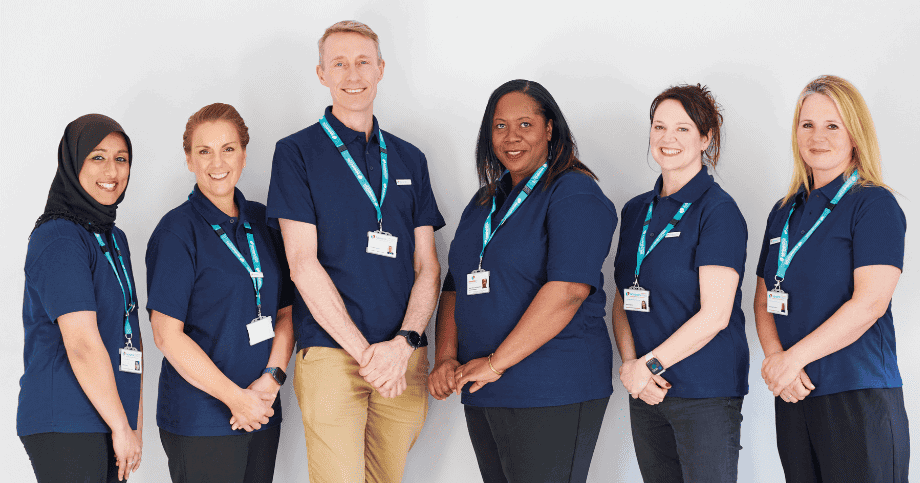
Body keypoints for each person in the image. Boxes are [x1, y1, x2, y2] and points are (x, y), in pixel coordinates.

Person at [266, 20, 444, 482]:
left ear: (381, 69)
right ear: (321, 74)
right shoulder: (296, 153)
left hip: (403, 356)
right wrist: (368, 353)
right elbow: (302, 265)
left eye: (363, 61)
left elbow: (428, 267)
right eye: (339, 63)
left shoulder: (409, 158)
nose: (352, 74)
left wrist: (402, 344)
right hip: (332, 352)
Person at [428, 79, 617, 483]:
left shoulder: (574, 193)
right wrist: (446, 356)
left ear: (550, 129)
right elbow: (455, 284)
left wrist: (496, 364)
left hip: (550, 386)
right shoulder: (484, 201)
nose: (511, 137)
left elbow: (568, 292)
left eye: (525, 124)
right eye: (500, 126)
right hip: (482, 385)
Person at [755, 75, 909, 482]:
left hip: (856, 395)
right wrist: (776, 361)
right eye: (807, 125)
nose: (817, 136)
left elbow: (870, 304)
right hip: (795, 393)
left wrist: (792, 359)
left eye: (832, 125)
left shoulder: (874, 204)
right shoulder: (784, 211)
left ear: (855, 135)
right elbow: (763, 296)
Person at [146, 103, 295, 483]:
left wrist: (272, 379)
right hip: (202, 420)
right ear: (189, 160)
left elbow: (286, 313)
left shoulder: (264, 222)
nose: (217, 162)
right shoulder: (177, 231)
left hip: (262, 410)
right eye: (204, 151)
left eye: (228, 148)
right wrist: (235, 398)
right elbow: (166, 335)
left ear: (244, 154)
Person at [612, 84, 748, 482]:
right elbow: (623, 300)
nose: (667, 139)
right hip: (647, 390)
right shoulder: (636, 210)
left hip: (704, 391)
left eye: (683, 129)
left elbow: (716, 315)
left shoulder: (718, 211)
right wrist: (631, 366)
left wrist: (650, 364)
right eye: (659, 127)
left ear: (706, 138)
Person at [19, 114, 142, 482]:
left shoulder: (113, 238)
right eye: (98, 157)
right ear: (73, 163)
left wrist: (131, 428)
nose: (112, 170)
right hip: (67, 420)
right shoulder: (59, 237)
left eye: (121, 158)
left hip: (107, 418)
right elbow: (83, 345)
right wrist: (122, 427)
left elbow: (128, 336)